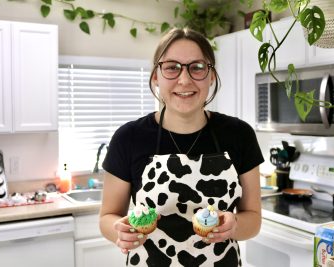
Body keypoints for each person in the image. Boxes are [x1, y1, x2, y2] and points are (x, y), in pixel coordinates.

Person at [99, 27, 264, 267]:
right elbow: (107, 217)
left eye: (197, 67)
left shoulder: (239, 134)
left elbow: (254, 220)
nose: (184, 80)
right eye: (172, 67)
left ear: (211, 76)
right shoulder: (129, 138)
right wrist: (119, 232)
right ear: (156, 76)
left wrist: (234, 225)